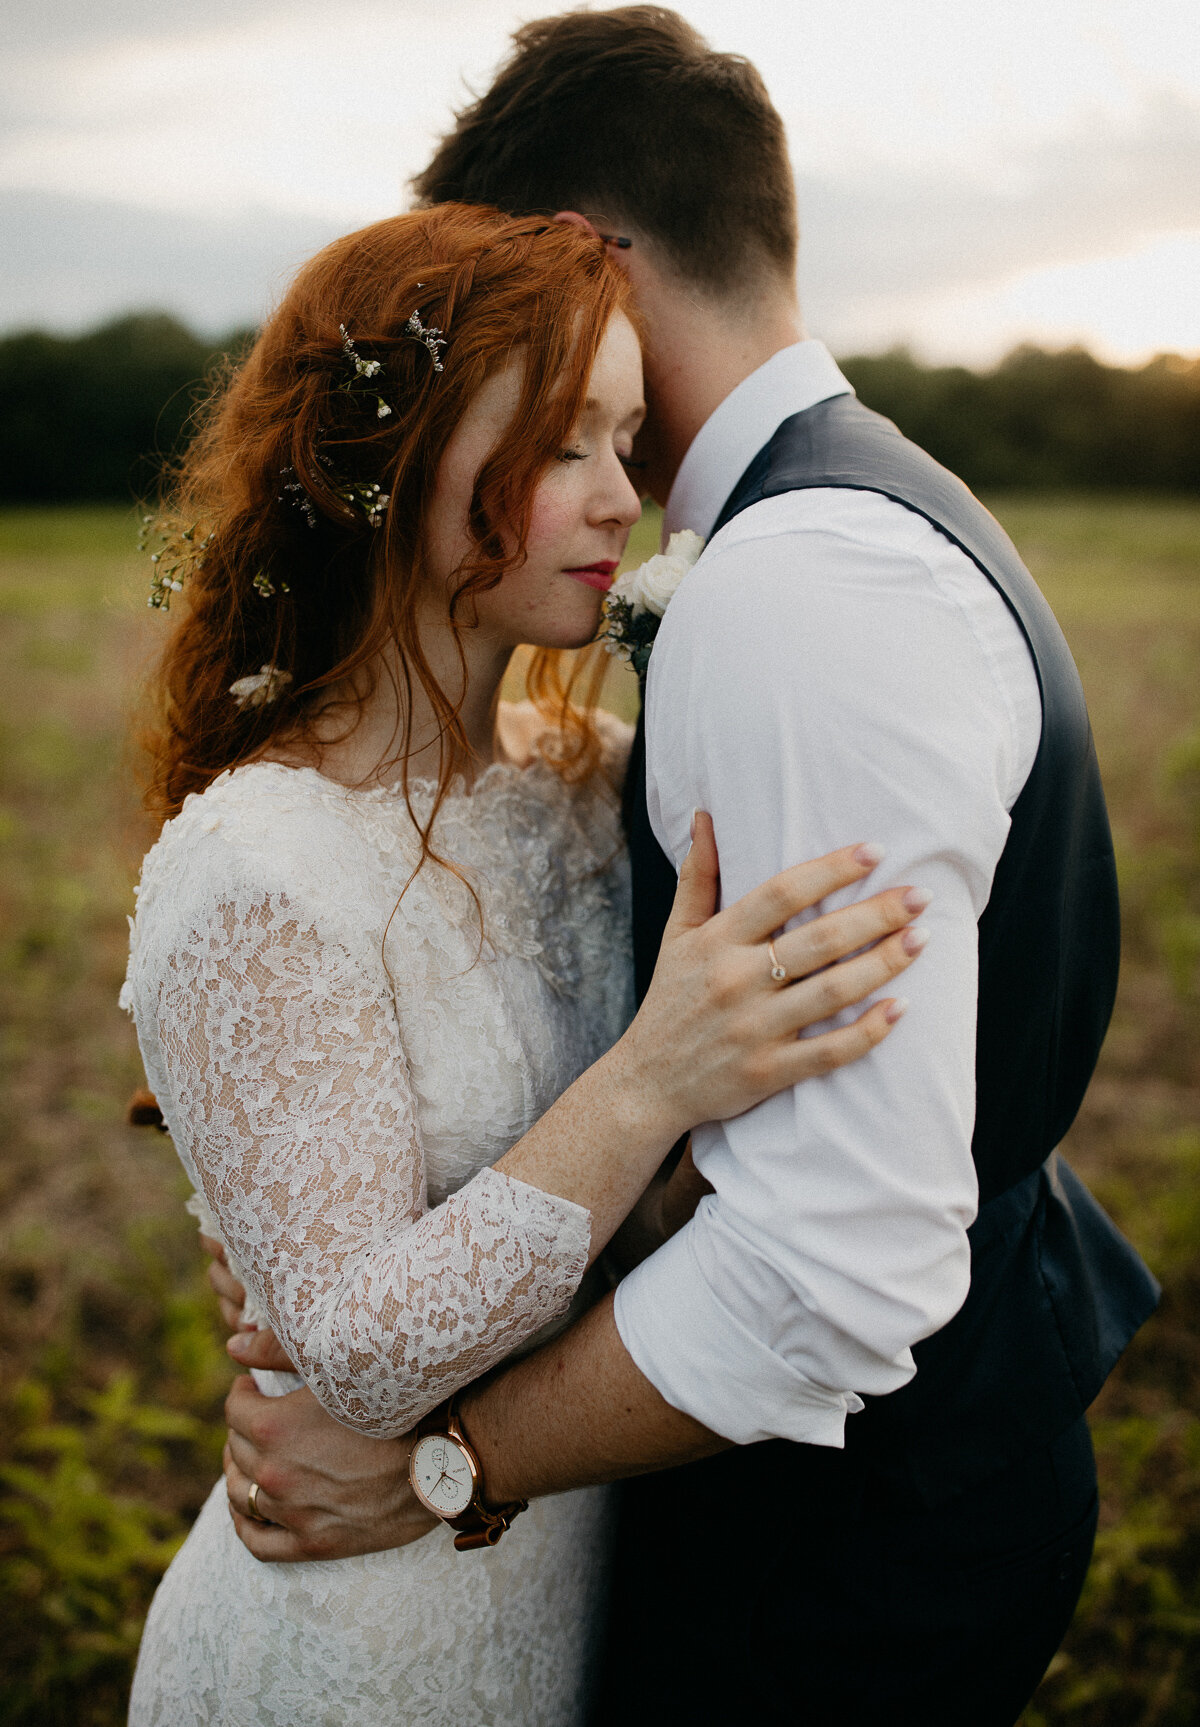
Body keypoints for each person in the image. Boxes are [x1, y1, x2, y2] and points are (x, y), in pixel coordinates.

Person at [215, 10, 1161, 1726]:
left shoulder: (805, 586)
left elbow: (828, 1256)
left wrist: (446, 1461)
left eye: (517, 275)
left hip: (838, 1555)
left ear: (580, 257)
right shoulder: (858, 518)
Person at [122, 201, 928, 1724]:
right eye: (564, 444)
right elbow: (359, 1362)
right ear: (386, 462)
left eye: (629, 442)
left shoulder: (585, 777)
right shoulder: (256, 869)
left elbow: (644, 1212)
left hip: (560, 1595)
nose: (623, 499)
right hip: (349, 1650)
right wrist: (649, 1084)